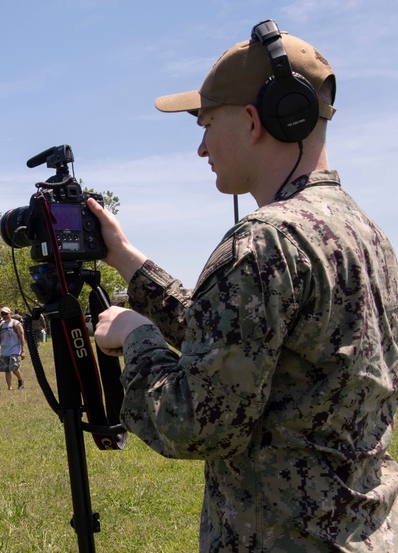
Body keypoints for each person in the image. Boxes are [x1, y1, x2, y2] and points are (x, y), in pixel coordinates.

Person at [89, 21, 398, 550]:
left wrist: (137, 337)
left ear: (253, 121)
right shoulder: (367, 234)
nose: (202, 148)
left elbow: (196, 422)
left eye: (206, 124)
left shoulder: (264, 241)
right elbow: (239, 345)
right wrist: (127, 260)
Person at [0, 307, 25, 391]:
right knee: (6, 369)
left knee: (14, 367)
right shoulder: (1, 326)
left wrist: (22, 351)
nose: (4, 316)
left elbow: (22, 338)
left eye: (6, 314)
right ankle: (9, 387)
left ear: (10, 314)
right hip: (4, 350)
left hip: (14, 349)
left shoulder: (16, 324)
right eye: (3, 314)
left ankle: (20, 379)